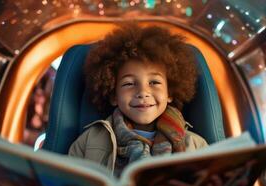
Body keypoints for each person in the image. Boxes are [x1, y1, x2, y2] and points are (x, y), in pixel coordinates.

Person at [68, 22, 208, 176]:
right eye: (129, 83)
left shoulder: (196, 146)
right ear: (114, 95)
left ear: (170, 93)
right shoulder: (88, 142)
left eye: (154, 82)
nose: (143, 92)